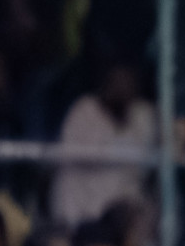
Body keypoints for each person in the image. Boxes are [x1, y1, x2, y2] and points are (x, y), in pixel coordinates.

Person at [49, 60, 157, 229]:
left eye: (128, 82)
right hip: (85, 214)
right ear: (106, 84)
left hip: (128, 218)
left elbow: (153, 162)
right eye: (117, 82)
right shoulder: (83, 111)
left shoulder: (143, 114)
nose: (123, 88)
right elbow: (75, 160)